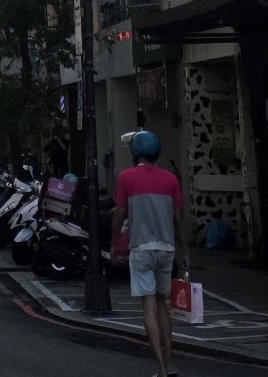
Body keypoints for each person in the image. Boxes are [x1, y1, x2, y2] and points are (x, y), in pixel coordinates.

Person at [110, 131, 189, 377]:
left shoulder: (126, 177)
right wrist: (185, 250)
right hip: (166, 249)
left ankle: (162, 370)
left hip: (141, 248)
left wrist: (113, 244)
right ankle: (171, 364)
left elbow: (119, 213)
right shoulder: (171, 179)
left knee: (148, 308)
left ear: (135, 153)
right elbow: (178, 218)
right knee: (163, 304)